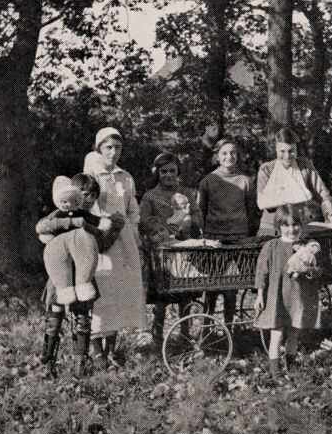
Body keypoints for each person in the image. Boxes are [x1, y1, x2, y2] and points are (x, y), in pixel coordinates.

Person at [36, 173, 118, 378]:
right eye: (83, 194)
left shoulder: (88, 219)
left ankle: (79, 364)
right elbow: (43, 228)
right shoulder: (59, 215)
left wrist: (112, 228)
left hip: (82, 275)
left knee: (83, 317)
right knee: (54, 316)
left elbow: (101, 243)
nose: (88, 198)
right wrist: (71, 224)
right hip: (59, 276)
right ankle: (47, 363)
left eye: (92, 195)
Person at [82, 127, 147, 368]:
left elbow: (132, 208)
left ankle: (112, 348)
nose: (113, 152)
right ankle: (96, 350)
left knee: (120, 291)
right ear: (99, 149)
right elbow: (87, 205)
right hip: (101, 237)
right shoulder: (92, 172)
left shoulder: (125, 177)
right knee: (102, 291)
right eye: (108, 147)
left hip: (124, 238)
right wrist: (103, 225)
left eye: (117, 147)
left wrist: (134, 234)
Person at [140, 151, 204, 350]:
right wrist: (163, 226)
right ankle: (157, 334)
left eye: (172, 171)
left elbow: (198, 218)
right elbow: (142, 222)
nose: (168, 175)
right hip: (160, 251)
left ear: (178, 172)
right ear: (157, 173)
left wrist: (187, 220)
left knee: (184, 291)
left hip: (183, 248)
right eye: (163, 171)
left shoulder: (187, 193)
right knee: (161, 296)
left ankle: (185, 334)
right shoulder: (150, 196)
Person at [254, 204, 322, 379]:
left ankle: (291, 367)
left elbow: (317, 270)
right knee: (276, 334)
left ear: (301, 224)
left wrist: (306, 271)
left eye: (295, 224)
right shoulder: (271, 246)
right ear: (278, 226)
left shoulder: (307, 247)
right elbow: (262, 273)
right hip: (277, 297)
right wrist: (260, 296)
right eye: (286, 225)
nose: (291, 229)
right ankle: (275, 372)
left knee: (293, 334)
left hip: (297, 297)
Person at [197, 139, 256, 325]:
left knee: (231, 288)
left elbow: (251, 210)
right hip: (215, 239)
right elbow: (201, 211)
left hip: (239, 239)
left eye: (232, 153)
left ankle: (230, 328)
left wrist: (248, 235)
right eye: (224, 153)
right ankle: (207, 329)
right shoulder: (208, 181)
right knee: (212, 286)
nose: (228, 157)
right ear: (217, 156)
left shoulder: (246, 180)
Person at [256, 132, 331, 236]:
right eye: (282, 151)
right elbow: (264, 203)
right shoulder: (267, 169)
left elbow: (323, 193)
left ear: (296, 150)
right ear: (275, 150)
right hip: (272, 227)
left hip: (298, 227)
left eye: (291, 151)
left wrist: (329, 215)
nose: (287, 156)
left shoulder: (304, 165)